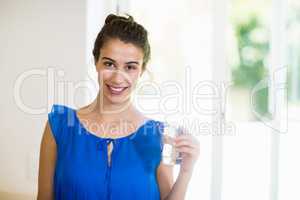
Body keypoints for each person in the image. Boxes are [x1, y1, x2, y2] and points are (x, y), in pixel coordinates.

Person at [37, 14, 200, 200]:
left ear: (142, 70)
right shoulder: (59, 126)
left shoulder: (159, 136)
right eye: (109, 64)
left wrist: (186, 172)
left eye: (130, 67)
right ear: (96, 62)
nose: (117, 78)